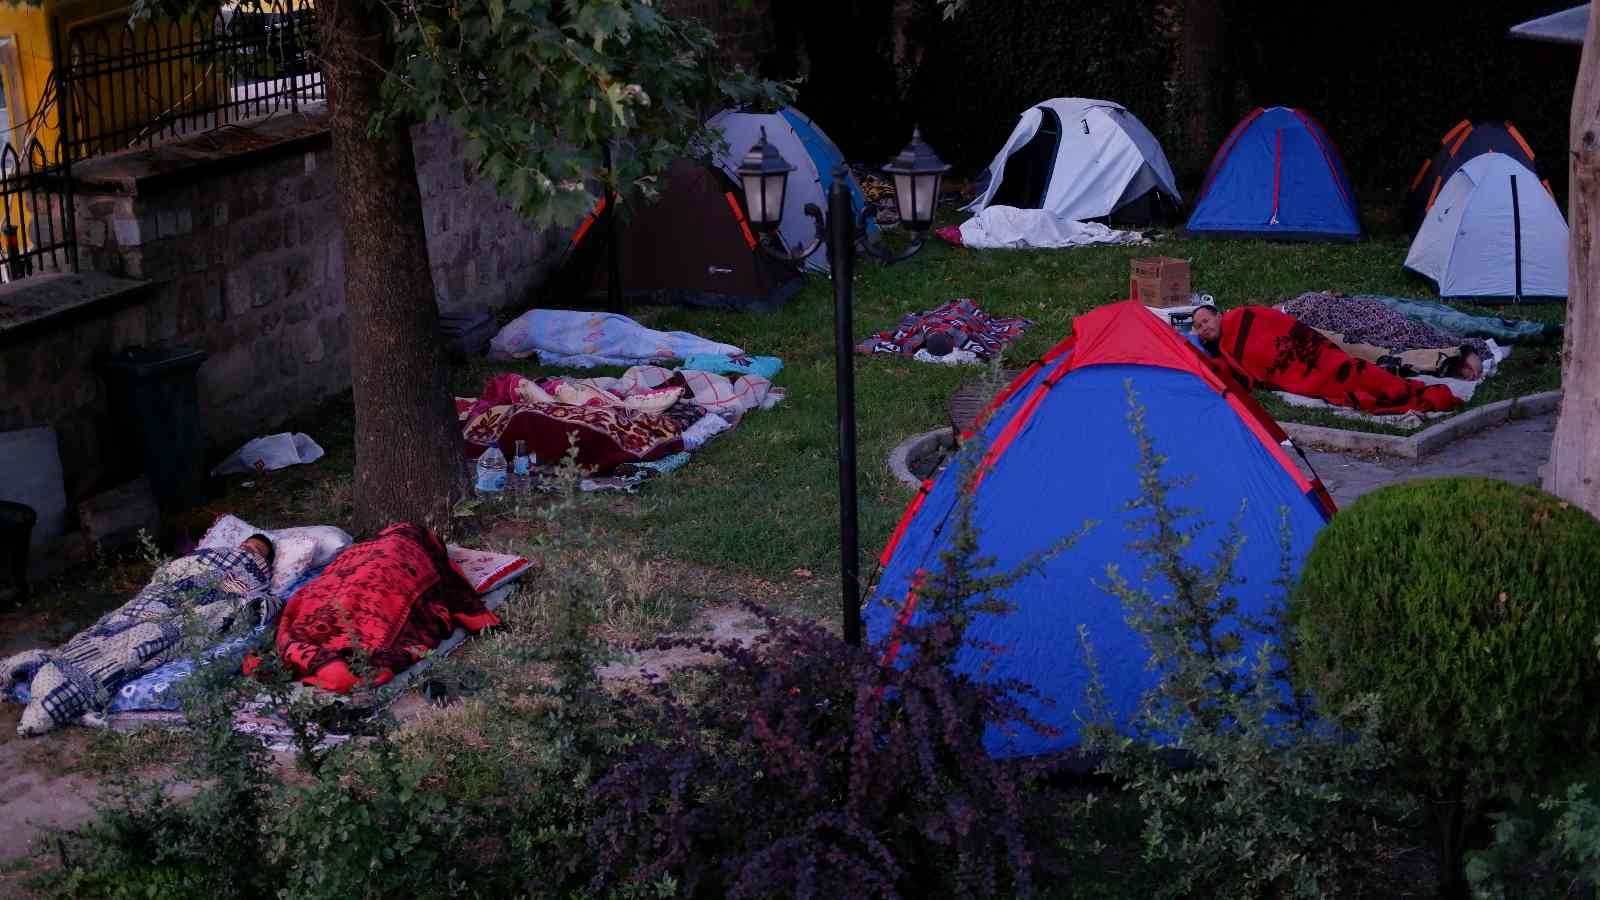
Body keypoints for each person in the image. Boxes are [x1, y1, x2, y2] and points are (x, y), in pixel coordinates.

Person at [2, 535, 277, 736]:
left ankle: (67, 687)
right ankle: (52, 666)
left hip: (197, 606)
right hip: (157, 600)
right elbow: (172, 572)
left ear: (264, 560)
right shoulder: (214, 553)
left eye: (257, 550)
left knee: (148, 641)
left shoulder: (254, 570)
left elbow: (254, 596)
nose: (248, 550)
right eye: (247, 545)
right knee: (111, 627)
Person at [1189, 304, 1461, 415]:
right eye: (1199, 328)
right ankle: (1395, 389)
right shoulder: (1224, 350)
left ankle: (1398, 388)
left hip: (1312, 352)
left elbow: (1284, 326)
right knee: (1338, 383)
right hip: (1298, 374)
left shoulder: (1245, 315)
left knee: (1347, 368)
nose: (1204, 327)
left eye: (1205, 320)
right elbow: (1243, 376)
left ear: (1219, 315)